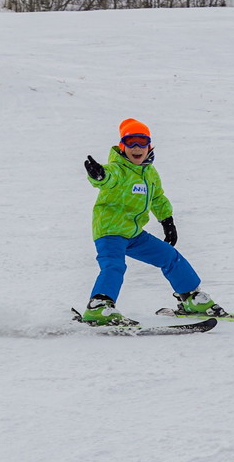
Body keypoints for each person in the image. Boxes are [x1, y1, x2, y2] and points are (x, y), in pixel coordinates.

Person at [78, 118, 224, 326]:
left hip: (134, 233)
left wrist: (167, 220)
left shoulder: (150, 174)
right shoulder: (118, 169)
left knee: (170, 256)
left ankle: (191, 298)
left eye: (142, 142)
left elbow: (157, 198)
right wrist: (99, 176)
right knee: (114, 265)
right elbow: (107, 177)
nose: (136, 148)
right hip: (110, 230)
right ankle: (99, 306)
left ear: (149, 146)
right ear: (122, 146)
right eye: (130, 142)